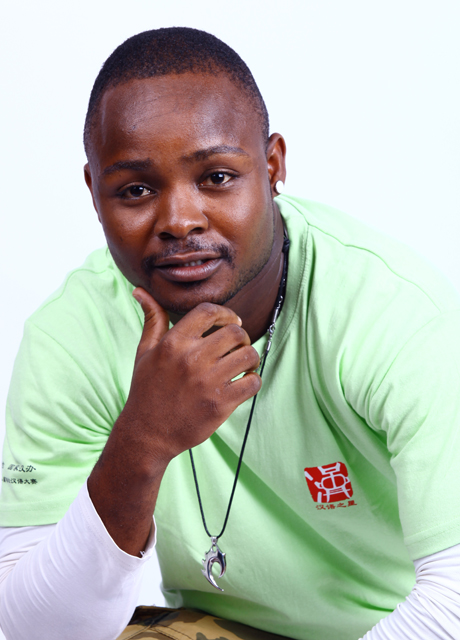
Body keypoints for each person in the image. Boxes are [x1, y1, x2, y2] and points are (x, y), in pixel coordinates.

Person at [0, 26, 459, 640]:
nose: (180, 220)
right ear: (94, 192)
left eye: (216, 177)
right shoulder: (73, 335)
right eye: (136, 190)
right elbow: (36, 629)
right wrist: (141, 442)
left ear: (272, 166)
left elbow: (453, 598)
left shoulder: (393, 313)